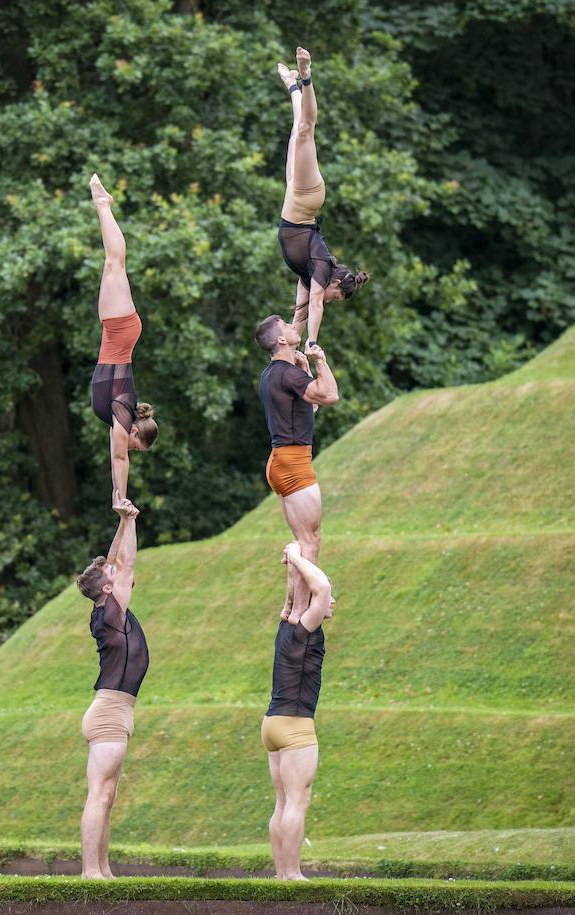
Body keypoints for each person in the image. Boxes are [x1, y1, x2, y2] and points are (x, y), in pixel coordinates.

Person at [74, 495, 148, 879]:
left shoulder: (108, 607)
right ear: (107, 589)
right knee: (99, 795)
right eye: (111, 577)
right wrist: (131, 521)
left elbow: (116, 561)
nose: (116, 574)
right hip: (109, 713)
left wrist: (121, 522)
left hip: (117, 711)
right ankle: (90, 871)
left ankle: (103, 870)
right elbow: (127, 563)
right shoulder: (110, 613)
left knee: (107, 798)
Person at [275, 46, 370, 348]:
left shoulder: (309, 275)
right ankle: (306, 75)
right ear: (336, 284)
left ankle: (292, 85)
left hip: (294, 195)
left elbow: (300, 315)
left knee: (297, 131)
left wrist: (293, 347)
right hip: (306, 198)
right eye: (336, 297)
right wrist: (313, 342)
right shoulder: (321, 267)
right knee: (306, 130)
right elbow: (316, 305)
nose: (330, 300)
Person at [255, 314, 338, 619]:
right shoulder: (287, 374)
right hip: (293, 463)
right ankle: (302, 613)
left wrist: (304, 370)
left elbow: (308, 407)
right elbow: (330, 395)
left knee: (302, 541)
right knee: (310, 542)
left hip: (281, 460)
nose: (295, 328)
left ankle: (290, 607)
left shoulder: (273, 373)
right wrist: (320, 361)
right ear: (281, 339)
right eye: (288, 327)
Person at [263, 540, 335, 880]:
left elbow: (299, 596)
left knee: (282, 802)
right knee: (297, 801)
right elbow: (321, 589)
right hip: (295, 726)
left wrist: (294, 567)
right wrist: (295, 556)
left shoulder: (288, 624)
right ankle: (291, 873)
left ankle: (282, 874)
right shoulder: (306, 629)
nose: (331, 601)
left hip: (272, 723)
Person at [89, 174, 158, 502]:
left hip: (115, 329)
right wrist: (121, 498)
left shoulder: (120, 414)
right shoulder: (123, 411)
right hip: (120, 328)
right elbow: (119, 458)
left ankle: (103, 206)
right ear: (134, 432)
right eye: (135, 445)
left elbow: (117, 453)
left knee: (112, 265)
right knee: (114, 263)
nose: (129, 448)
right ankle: (103, 205)